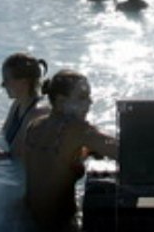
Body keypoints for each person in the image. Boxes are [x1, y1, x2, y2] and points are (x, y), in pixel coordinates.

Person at [21, 69, 118, 229]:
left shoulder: (35, 126)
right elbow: (124, 152)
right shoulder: (78, 129)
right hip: (60, 225)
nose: (90, 102)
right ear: (60, 101)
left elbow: (51, 163)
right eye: (82, 97)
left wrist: (86, 152)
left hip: (26, 220)